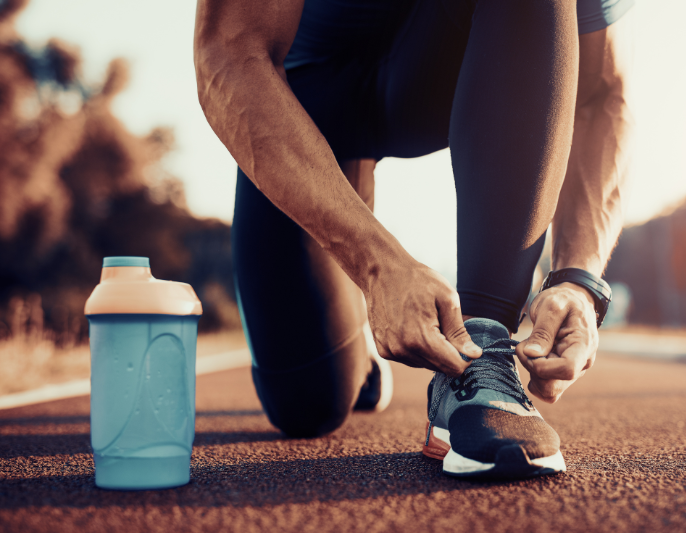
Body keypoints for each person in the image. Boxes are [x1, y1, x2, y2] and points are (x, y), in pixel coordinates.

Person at [194, 0, 633, 478]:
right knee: (307, 405)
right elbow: (228, 57)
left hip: (436, 75)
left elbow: (600, 93)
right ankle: (357, 351)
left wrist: (579, 279)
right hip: (305, 101)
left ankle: (482, 359)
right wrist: (375, 264)